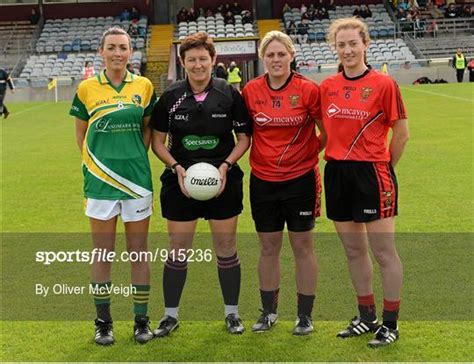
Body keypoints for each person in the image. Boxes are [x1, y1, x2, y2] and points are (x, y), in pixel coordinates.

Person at [150, 32, 251, 337]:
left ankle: (232, 314)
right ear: (183, 63)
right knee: (178, 250)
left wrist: (225, 166)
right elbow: (157, 142)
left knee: (226, 248)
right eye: (191, 59)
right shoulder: (170, 97)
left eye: (202, 59)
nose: (197, 65)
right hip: (180, 182)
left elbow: (244, 138)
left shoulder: (229, 94)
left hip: (222, 181)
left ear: (213, 60)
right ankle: (170, 315)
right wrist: (176, 167)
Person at [321, 17, 409, 348]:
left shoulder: (384, 84)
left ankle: (390, 323)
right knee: (354, 250)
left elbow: (401, 133)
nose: (347, 50)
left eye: (352, 43)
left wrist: (385, 168)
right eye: (341, 45)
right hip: (337, 172)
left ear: (365, 44)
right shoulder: (327, 86)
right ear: (335, 48)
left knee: (384, 251)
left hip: (372, 172)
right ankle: (366, 316)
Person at [69, 27, 157, 346]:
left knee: (138, 253)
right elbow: (81, 135)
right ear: (101, 52)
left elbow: (147, 131)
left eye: (123, 47)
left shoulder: (144, 86)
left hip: (136, 181)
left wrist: (133, 158)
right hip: (100, 182)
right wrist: (97, 164)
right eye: (112, 47)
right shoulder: (87, 88)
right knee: (103, 253)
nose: (118, 53)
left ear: (130, 52)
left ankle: (141, 321)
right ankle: (103, 322)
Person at [242, 30, 326, 336]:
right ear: (263, 58)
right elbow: (244, 135)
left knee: (303, 247)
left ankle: (304, 316)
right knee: (268, 247)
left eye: (281, 54)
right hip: (263, 181)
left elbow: (324, 131)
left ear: (291, 55)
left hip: (300, 180)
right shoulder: (251, 91)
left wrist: (308, 154)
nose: (276, 60)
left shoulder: (308, 90)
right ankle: (269, 312)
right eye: (270, 55)